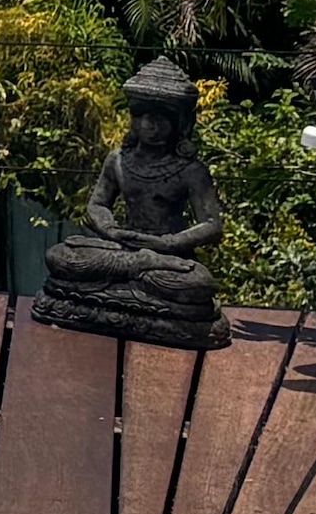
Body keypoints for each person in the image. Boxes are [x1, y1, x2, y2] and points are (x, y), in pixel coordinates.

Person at [40, 57, 224, 348]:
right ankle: (137, 270)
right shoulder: (118, 160)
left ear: (179, 125)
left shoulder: (190, 170)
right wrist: (110, 230)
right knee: (60, 256)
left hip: (168, 257)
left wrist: (169, 244)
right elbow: (97, 205)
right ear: (134, 120)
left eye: (162, 119)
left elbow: (212, 225)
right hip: (123, 248)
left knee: (197, 285)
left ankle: (135, 275)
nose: (153, 127)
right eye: (145, 118)